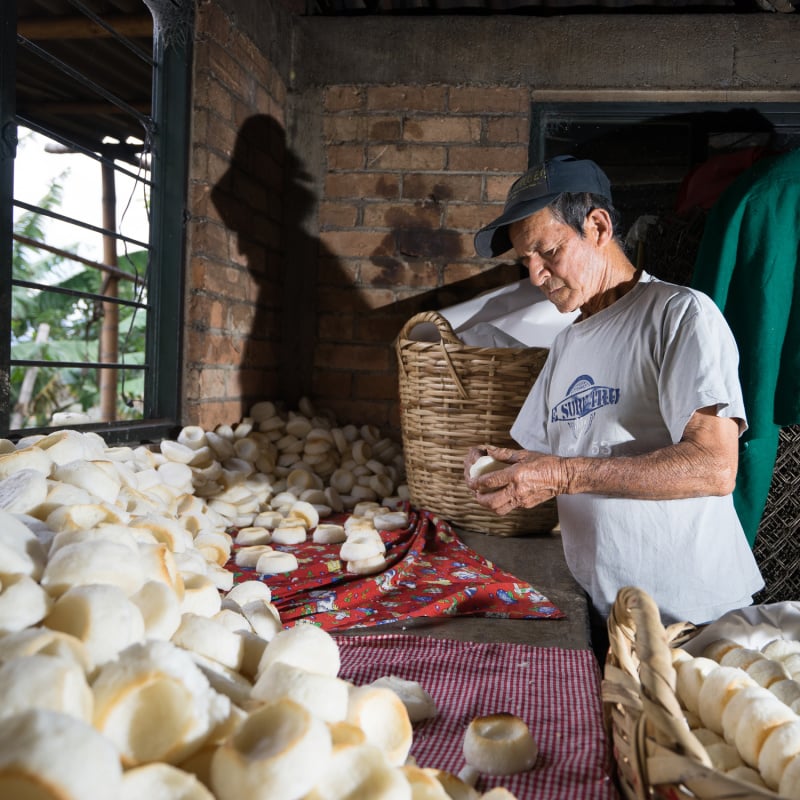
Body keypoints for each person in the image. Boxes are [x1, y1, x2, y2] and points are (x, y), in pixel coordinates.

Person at [464, 154, 763, 660]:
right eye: (525, 262)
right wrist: (498, 469)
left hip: (689, 620)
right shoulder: (568, 343)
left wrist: (562, 476)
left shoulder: (678, 314)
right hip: (608, 613)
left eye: (548, 251)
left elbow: (714, 467)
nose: (535, 275)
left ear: (597, 226)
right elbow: (539, 454)